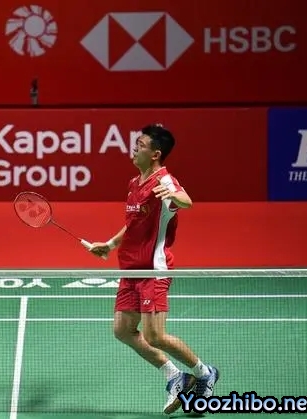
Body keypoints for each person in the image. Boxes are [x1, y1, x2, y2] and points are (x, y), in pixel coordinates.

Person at [88, 124, 219, 414]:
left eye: (141, 145)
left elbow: (187, 201)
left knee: (155, 336)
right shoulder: (135, 183)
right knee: (122, 330)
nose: (134, 149)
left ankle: (204, 372)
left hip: (153, 269)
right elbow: (134, 223)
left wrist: (173, 195)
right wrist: (110, 245)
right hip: (131, 269)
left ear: (156, 154)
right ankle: (175, 376)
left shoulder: (164, 181)